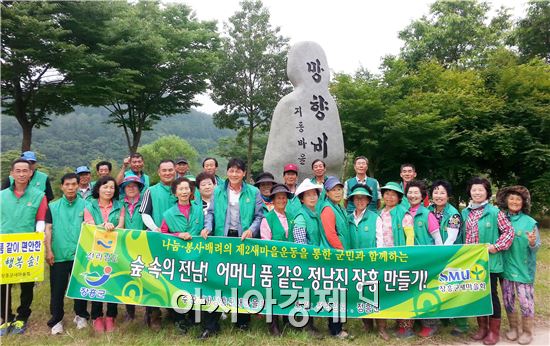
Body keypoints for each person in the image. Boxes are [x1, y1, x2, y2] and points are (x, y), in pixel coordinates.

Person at [200, 158, 263, 339]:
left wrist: (251, 230)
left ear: (244, 174)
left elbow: (259, 216)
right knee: (216, 279)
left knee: (242, 280)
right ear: (227, 172)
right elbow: (210, 213)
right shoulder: (218, 190)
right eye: (231, 170)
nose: (234, 174)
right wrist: (208, 227)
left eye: (238, 171)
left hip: (244, 241)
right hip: (222, 239)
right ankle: (211, 325)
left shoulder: (253, 192)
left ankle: (242, 321)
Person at [462, 177, 514, 345]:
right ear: (470, 192)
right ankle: (482, 328)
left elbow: (508, 232)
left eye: (480, 190)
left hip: (489, 262)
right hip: (472, 263)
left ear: (487, 193)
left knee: (491, 295)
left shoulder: (494, 212)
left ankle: (493, 332)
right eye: (474, 189)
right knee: (477, 294)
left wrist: (496, 246)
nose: (477, 192)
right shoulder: (465, 212)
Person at [0, 158, 47, 336]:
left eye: (24, 171)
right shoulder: (2, 195)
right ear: (12, 173)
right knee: (3, 283)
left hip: (27, 247)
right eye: (17, 171)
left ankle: (22, 316)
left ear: (30, 173)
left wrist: (38, 235)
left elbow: (41, 219)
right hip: (5, 246)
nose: (21, 174)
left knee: (27, 284)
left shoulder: (38, 195)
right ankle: (5, 316)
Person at [45, 173, 89, 335]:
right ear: (62, 186)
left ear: (78, 185)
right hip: (59, 254)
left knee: (80, 287)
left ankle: (81, 315)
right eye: (67, 185)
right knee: (57, 289)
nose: (70, 188)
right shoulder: (53, 206)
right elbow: (48, 229)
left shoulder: (86, 205)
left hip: (80, 255)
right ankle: (56, 320)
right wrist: (49, 250)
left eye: (73, 184)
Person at [496, 186, 540, 345]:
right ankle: (513, 329)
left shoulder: (530, 222)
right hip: (506, 267)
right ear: (506, 200)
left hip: (523, 268)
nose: (514, 201)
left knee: (525, 301)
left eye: (518, 199)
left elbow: (536, 246)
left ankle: (527, 332)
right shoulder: (500, 219)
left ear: (523, 202)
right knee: (508, 300)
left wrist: (533, 242)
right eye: (511, 198)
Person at [160, 177, 204, 334]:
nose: (185, 191)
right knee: (178, 287)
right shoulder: (169, 214)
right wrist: (178, 234)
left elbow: (204, 228)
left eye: (187, 188)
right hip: (177, 257)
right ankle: (179, 319)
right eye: (181, 189)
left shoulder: (198, 209)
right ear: (175, 192)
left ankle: (193, 317)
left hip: (196, 256)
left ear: (191, 191)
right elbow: (163, 235)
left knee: (194, 286)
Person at [138, 159, 177, 330]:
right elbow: (144, 214)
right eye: (164, 170)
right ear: (159, 172)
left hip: (177, 242)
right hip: (156, 240)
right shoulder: (150, 191)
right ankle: (154, 313)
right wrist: (155, 228)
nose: (168, 173)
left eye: (170, 170)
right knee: (154, 276)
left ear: (175, 171)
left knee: (175, 276)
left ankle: (174, 311)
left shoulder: (182, 189)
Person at [83, 176, 125, 333]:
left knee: (112, 282)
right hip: (95, 251)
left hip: (114, 251)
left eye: (112, 187)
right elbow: (90, 226)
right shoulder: (90, 205)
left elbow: (121, 225)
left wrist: (113, 227)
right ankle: (96, 316)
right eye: (105, 187)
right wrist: (103, 226)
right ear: (98, 188)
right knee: (97, 282)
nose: (109, 190)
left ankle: (111, 316)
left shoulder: (119, 205)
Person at [346, 184, 388, 340]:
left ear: (368, 200)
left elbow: (380, 241)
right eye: (356, 198)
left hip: (372, 263)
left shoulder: (375, 217)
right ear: (352, 200)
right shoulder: (348, 218)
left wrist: (378, 260)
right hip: (355, 263)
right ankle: (367, 324)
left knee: (377, 294)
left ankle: (382, 327)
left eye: (363, 198)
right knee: (361, 292)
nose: (360, 201)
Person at [428, 180, 468, 336]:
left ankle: (462, 324)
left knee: (453, 288)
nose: (438, 196)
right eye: (436, 192)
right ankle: (445, 317)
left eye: (442, 193)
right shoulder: (429, 210)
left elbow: (450, 239)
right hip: (434, 256)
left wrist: (441, 257)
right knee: (438, 287)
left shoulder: (454, 214)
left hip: (451, 257)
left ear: (448, 195)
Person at [376, 182, 415, 338]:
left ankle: (405, 327)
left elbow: (410, 237)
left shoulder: (404, 214)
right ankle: (389, 324)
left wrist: (406, 257)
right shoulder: (379, 213)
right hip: (383, 259)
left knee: (403, 290)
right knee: (387, 290)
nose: (389, 197)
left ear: (399, 198)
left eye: (393, 194)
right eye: (387, 193)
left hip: (399, 258)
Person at [404, 180, 442, 337]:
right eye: (410, 193)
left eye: (416, 193)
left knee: (427, 291)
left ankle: (431, 324)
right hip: (409, 260)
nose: (412, 196)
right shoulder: (404, 212)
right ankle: (414, 323)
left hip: (426, 261)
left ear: (422, 196)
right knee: (413, 291)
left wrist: (437, 260)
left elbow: (438, 240)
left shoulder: (427, 214)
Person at [319, 176, 352, 339]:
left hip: (339, 256)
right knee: (335, 293)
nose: (337, 192)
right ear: (327, 192)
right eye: (334, 189)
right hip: (333, 257)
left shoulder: (338, 207)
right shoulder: (327, 209)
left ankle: (338, 325)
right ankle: (335, 329)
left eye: (339, 189)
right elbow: (331, 234)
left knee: (339, 292)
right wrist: (342, 252)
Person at [259, 184, 294, 336]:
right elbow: (266, 242)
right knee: (272, 292)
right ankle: (273, 324)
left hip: (291, 261)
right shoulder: (267, 219)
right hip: (273, 262)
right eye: (278, 197)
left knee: (288, 290)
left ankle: (288, 320)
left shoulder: (292, 217)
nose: (282, 200)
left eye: (284, 197)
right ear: (272, 200)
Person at [291, 179, 324, 338]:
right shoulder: (300, 216)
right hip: (305, 261)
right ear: (302, 199)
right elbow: (300, 244)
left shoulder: (316, 213)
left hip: (316, 259)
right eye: (308, 195)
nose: (312, 197)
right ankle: (305, 324)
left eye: (314, 194)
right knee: (304, 292)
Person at [119, 174, 145, 322]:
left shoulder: (146, 202)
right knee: (127, 277)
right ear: (123, 188)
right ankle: (130, 311)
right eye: (128, 186)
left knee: (146, 278)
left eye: (134, 185)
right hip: (125, 247)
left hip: (144, 245)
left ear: (139, 187)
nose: (131, 188)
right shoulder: (120, 204)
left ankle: (150, 312)